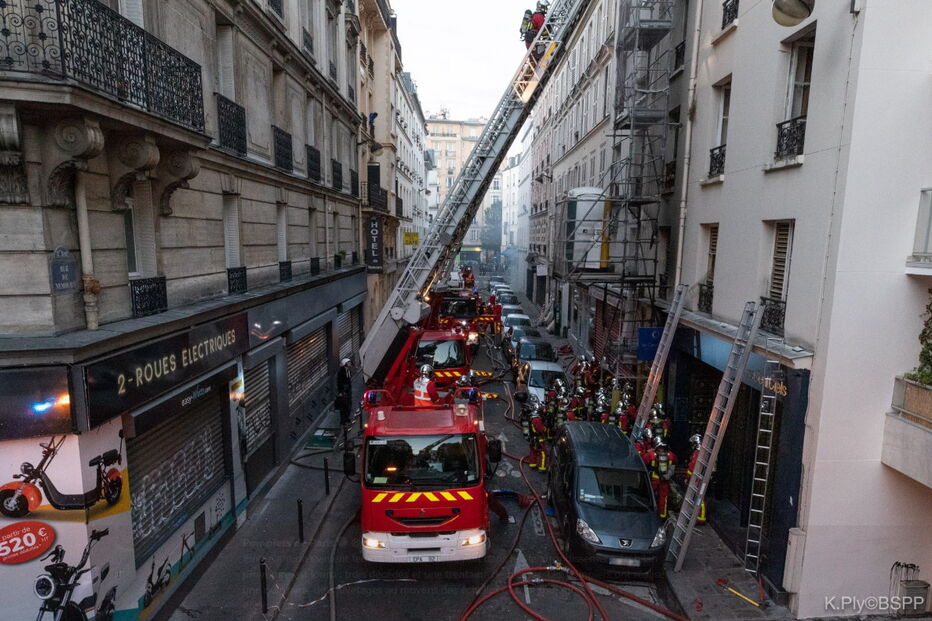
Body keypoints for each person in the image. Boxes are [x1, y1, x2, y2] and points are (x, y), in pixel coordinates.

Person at [645, 439, 677, 519]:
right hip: (665, 480)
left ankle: (649, 513)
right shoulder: (671, 455)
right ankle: (662, 516)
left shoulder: (651, 454)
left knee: (649, 496)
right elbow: (674, 463)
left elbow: (643, 460)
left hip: (654, 480)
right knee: (663, 498)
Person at [686, 434, 707, 524]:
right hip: (699, 478)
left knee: (700, 498)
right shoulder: (703, 452)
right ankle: (698, 515)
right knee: (698, 497)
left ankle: (701, 518)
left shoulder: (698, 453)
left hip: (698, 479)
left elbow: (692, 467)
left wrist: (688, 478)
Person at [526, 402, 548, 471]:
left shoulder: (531, 417)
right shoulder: (537, 420)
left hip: (532, 439)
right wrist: (545, 427)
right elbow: (541, 429)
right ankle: (542, 468)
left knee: (533, 452)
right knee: (543, 453)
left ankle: (532, 464)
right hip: (538, 440)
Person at [336, 358, 354, 427]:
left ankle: (347, 418)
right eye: (348, 363)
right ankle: (343, 420)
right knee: (344, 406)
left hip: (348, 390)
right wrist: (341, 391)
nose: (350, 364)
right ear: (345, 364)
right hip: (344, 391)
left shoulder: (348, 370)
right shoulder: (341, 372)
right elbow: (339, 383)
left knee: (349, 404)